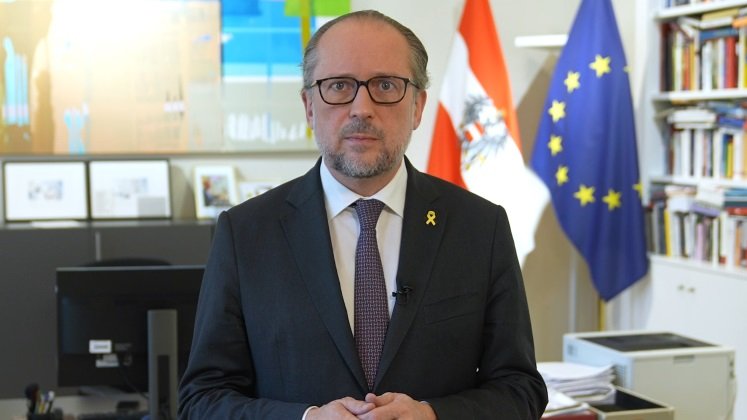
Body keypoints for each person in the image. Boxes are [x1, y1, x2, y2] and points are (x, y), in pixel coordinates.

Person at [178, 9, 548, 420]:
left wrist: (433, 416)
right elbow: (203, 399)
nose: (361, 108)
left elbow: (521, 390)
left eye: (385, 85)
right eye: (338, 86)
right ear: (309, 106)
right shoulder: (245, 233)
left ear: (418, 106)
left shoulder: (481, 227)